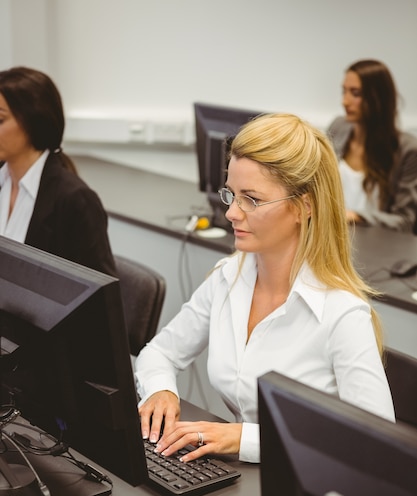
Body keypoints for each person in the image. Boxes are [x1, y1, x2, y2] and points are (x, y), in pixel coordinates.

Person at [135, 112, 395, 465]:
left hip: (304, 489)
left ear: (305, 206)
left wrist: (244, 438)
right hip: (246, 479)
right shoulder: (228, 277)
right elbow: (159, 353)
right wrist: (160, 391)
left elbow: (374, 443)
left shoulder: (342, 314)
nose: (231, 213)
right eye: (231, 194)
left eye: (252, 199)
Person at [0, 66, 116, 276]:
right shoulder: (3, 179)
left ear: (33, 121)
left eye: (0, 120)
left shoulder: (75, 200)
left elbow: (97, 301)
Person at [327, 59, 417, 232]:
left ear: (378, 98)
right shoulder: (337, 128)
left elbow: (405, 221)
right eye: (344, 91)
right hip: (331, 236)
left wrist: (356, 216)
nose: (345, 102)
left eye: (355, 93)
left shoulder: (407, 150)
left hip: (375, 246)